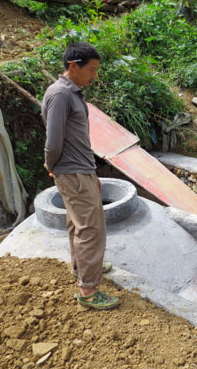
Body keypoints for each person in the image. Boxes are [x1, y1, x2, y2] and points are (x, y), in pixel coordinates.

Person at [42, 42, 119, 310]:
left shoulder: (71, 93)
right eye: (92, 69)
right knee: (91, 230)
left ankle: (83, 267)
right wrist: (51, 165)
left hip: (80, 170)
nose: (94, 75)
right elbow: (53, 142)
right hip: (72, 172)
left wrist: (91, 172)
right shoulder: (61, 95)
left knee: (78, 225)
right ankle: (88, 291)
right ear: (74, 65)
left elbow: (75, 139)